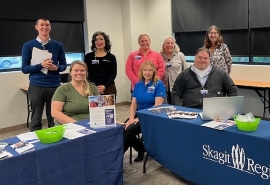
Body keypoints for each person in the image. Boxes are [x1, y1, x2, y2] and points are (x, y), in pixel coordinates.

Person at [22, 18, 67, 131]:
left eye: (47, 25)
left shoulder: (58, 45)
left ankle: (54, 142)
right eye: (42, 25)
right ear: (36, 27)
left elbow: (63, 66)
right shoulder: (28, 45)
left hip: (54, 86)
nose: (44, 27)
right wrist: (41, 65)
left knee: (54, 117)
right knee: (36, 119)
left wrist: (55, 68)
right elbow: (25, 69)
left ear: (50, 28)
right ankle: (36, 145)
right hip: (36, 86)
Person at [124, 61, 166, 162]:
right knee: (123, 128)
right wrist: (131, 118)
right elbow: (133, 105)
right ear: (141, 72)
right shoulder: (138, 84)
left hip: (151, 116)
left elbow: (156, 106)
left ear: (154, 71)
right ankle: (141, 149)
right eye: (145, 70)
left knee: (129, 130)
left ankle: (117, 156)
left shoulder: (158, 84)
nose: (147, 72)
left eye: (150, 70)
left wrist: (139, 118)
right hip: (138, 115)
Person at [171, 47, 238, 109]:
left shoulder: (220, 74)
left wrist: (228, 108)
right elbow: (175, 93)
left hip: (215, 113)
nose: (202, 60)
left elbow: (232, 89)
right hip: (190, 112)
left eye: (205, 58)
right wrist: (180, 109)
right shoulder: (184, 75)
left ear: (209, 59)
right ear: (195, 57)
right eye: (200, 57)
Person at [84, 31, 117, 96]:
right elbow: (86, 72)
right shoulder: (88, 56)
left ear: (105, 41)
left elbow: (113, 73)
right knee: (94, 106)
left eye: (101, 39)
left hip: (109, 87)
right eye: (96, 40)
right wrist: (94, 86)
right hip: (91, 87)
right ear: (94, 42)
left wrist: (105, 86)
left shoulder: (111, 57)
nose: (99, 42)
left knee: (108, 106)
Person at [160, 36, 187, 104]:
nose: (170, 45)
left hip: (177, 87)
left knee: (176, 107)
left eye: (172, 43)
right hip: (163, 87)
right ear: (164, 45)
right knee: (165, 108)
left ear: (174, 45)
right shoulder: (159, 56)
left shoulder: (180, 55)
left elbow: (185, 72)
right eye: (167, 43)